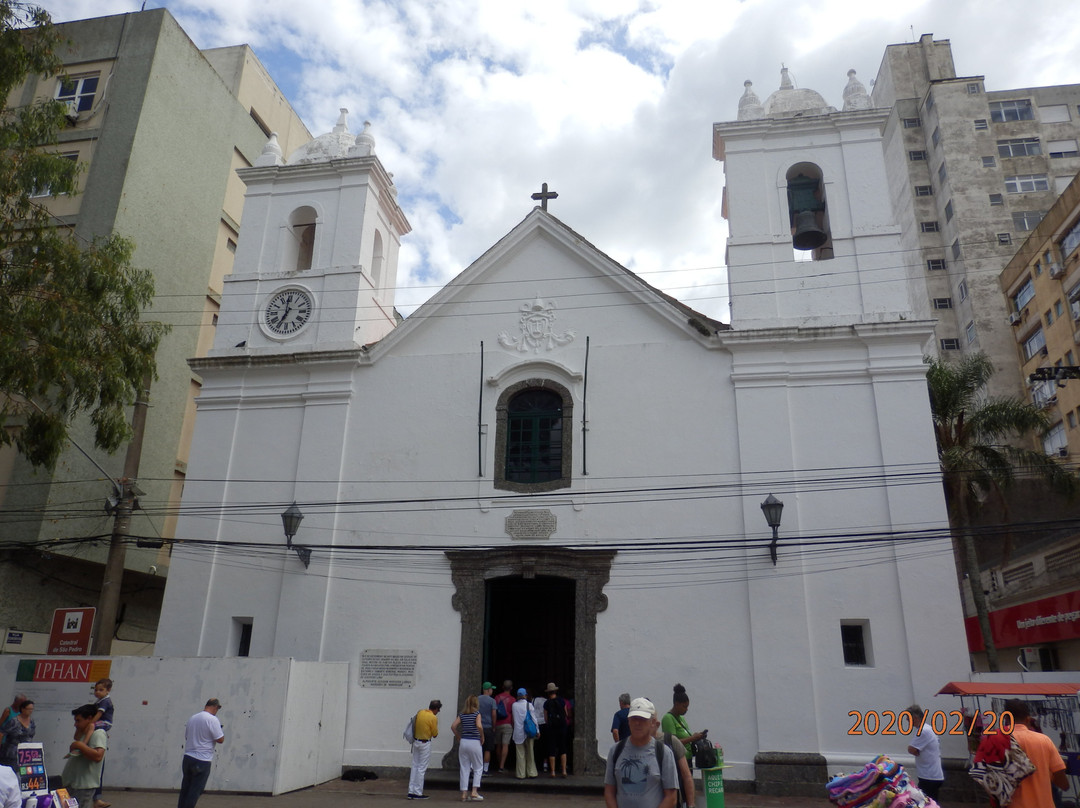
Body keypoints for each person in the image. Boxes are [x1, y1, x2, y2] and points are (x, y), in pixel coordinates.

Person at [605, 697, 678, 808]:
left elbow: (671, 797)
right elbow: (609, 791)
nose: (637, 723)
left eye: (642, 719)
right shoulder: (615, 751)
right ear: (628, 721)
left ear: (652, 722)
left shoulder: (664, 753)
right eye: (634, 718)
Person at [1003, 698, 1066, 808]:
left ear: (1005, 719)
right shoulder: (1044, 741)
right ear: (1028, 719)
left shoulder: (994, 740)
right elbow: (1063, 783)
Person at [178, 697, 225, 808]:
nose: (216, 711)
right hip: (203, 759)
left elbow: (186, 736)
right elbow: (220, 739)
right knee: (195, 791)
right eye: (217, 709)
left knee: (186, 789)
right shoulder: (212, 720)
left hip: (188, 757)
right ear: (214, 707)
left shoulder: (192, 718)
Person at [61, 704, 107, 808]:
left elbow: (98, 756)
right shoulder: (85, 734)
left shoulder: (98, 733)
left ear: (89, 718)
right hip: (73, 784)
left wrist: (79, 745)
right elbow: (76, 737)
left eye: (78, 720)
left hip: (83, 787)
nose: (75, 724)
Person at [651, 704, 695, 808]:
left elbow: (687, 775)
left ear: (656, 723)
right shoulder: (668, 718)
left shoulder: (670, 741)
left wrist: (691, 804)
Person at [905, 704, 944, 801]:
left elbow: (911, 749)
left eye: (908, 718)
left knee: (926, 803)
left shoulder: (923, 731)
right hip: (930, 775)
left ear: (915, 717)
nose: (907, 720)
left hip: (929, 776)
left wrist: (917, 751)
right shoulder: (927, 728)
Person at [660, 684, 704, 769]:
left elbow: (685, 735)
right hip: (677, 761)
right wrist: (692, 738)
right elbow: (672, 743)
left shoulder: (681, 718)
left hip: (687, 759)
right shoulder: (668, 718)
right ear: (676, 704)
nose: (686, 709)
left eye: (687, 707)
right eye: (684, 706)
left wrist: (696, 736)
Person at [451, 695, 485, 802]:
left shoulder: (462, 715)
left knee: (464, 767)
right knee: (478, 767)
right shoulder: (477, 714)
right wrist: (482, 736)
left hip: (464, 742)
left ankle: (464, 793)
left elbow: (453, 726)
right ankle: (474, 791)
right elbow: (479, 726)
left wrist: (457, 735)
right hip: (474, 742)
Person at [88, 678, 115, 808]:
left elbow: (99, 715)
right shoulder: (99, 701)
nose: (97, 692)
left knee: (91, 728)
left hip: (104, 724)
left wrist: (90, 723)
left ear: (108, 690)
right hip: (102, 727)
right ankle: (95, 798)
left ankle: (84, 741)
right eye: (96, 689)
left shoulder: (105, 702)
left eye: (101, 690)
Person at [409, 699, 441, 799]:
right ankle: (418, 792)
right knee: (422, 768)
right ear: (436, 709)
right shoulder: (433, 717)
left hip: (416, 742)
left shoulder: (420, 712)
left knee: (415, 766)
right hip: (425, 743)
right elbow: (435, 734)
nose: (438, 712)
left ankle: (411, 791)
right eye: (438, 710)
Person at [511, 688, 539, 779]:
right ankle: (531, 772)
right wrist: (537, 730)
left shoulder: (514, 705)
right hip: (528, 732)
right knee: (530, 753)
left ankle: (520, 773)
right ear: (525, 695)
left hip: (518, 732)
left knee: (520, 754)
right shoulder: (529, 705)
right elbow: (534, 718)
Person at [543, 683, 570, 778]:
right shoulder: (562, 701)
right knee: (563, 748)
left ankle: (553, 772)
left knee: (552, 748)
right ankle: (564, 771)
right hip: (562, 727)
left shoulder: (546, 703)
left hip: (551, 728)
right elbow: (566, 714)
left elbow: (545, 718)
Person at [0, 699, 35, 770]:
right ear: (23, 709)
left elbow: (31, 735)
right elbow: (2, 733)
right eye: (28, 709)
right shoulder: (14, 721)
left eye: (32, 709)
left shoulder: (31, 721)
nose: (30, 711)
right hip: (11, 752)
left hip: (25, 753)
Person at [493, 680, 515, 774]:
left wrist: (493, 724)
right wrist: (513, 726)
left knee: (498, 745)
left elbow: (493, 712)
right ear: (511, 688)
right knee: (505, 745)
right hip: (508, 723)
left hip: (498, 723)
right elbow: (513, 714)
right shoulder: (512, 699)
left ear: (502, 687)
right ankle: (502, 766)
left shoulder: (497, 698)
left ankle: (499, 764)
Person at [478, 683, 497, 774]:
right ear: (488, 690)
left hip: (478, 727)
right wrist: (494, 726)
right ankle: (485, 770)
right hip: (488, 727)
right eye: (491, 689)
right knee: (487, 749)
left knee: (478, 748)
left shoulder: (477, 699)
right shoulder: (492, 701)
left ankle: (476, 768)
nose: (492, 691)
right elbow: (493, 714)